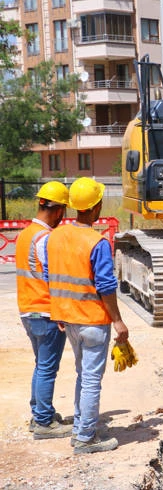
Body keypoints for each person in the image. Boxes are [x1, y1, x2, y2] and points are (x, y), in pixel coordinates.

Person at [47, 177, 129, 454]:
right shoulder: (97, 242)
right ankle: (85, 439)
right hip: (93, 321)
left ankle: (82, 428)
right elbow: (106, 287)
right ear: (96, 207)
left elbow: (52, 277)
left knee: (82, 375)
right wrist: (117, 320)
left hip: (68, 319)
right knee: (91, 379)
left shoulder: (56, 235)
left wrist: (57, 310)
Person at [16, 181, 73, 440]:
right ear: (59, 210)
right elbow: (53, 279)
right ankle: (43, 422)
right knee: (48, 368)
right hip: (45, 311)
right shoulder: (45, 238)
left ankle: (40, 413)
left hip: (28, 310)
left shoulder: (26, 234)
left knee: (41, 366)